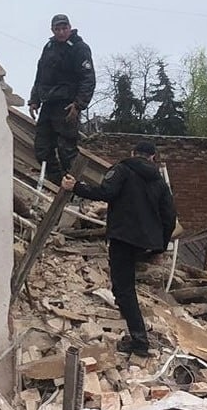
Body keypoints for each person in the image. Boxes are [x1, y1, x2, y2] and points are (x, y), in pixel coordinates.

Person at [62, 139, 177, 358]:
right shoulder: (159, 182)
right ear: (153, 157)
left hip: (123, 238)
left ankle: (139, 341)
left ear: (133, 152)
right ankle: (135, 332)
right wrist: (160, 246)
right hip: (146, 243)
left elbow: (106, 192)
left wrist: (75, 187)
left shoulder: (123, 169)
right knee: (126, 287)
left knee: (124, 289)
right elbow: (170, 216)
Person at [28, 14, 96, 180]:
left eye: (64, 28)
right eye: (57, 29)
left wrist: (79, 104)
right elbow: (40, 75)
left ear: (70, 28)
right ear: (52, 30)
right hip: (48, 102)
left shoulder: (79, 48)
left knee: (66, 149)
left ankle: (73, 187)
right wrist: (34, 99)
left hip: (67, 104)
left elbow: (88, 78)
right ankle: (55, 183)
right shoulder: (49, 47)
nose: (61, 32)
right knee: (42, 148)